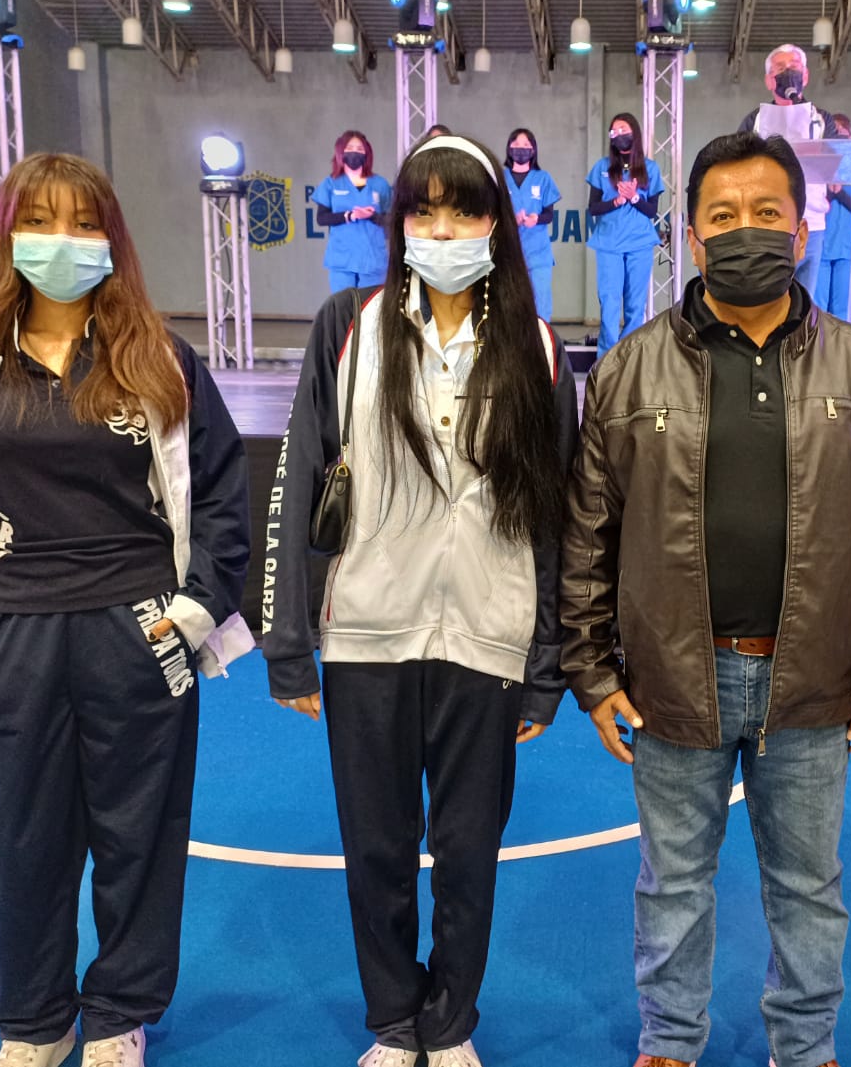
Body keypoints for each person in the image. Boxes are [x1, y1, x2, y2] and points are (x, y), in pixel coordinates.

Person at [562, 130, 851, 1067]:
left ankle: (805, 1046)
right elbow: (587, 536)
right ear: (691, 238)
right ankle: (670, 1039)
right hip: (671, 679)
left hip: (811, 680)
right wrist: (592, 671)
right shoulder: (627, 370)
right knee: (672, 882)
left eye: (767, 212)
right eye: (722, 216)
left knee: (808, 885)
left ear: (803, 231)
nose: (745, 231)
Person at [0, 153, 253, 1067]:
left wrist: (191, 613)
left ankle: (118, 1015)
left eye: (83, 223)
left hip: (137, 632)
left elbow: (224, 495)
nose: (62, 241)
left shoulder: (161, 360)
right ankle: (35, 1019)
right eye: (41, 221)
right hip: (10, 635)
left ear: (111, 239)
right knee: (14, 838)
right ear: (8, 236)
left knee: (139, 837)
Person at [264, 134, 579, 1067]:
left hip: (488, 637)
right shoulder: (347, 326)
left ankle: (450, 1024)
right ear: (399, 220)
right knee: (377, 848)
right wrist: (289, 641)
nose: (443, 230)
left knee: (470, 853)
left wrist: (548, 663)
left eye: (465, 210)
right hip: (368, 634)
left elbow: (556, 519)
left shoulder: (538, 348)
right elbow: (299, 479)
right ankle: (396, 1020)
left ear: (496, 224)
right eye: (424, 209)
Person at [737, 44, 834, 297]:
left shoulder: (822, 120)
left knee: (804, 298)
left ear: (806, 75)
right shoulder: (755, 120)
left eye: (794, 67)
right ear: (769, 80)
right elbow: (739, 167)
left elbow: (836, 167)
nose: (788, 73)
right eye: (780, 68)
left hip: (811, 223)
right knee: (768, 296)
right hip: (766, 223)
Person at [586, 113, 663, 356]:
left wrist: (634, 197)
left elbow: (651, 211)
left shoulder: (650, 168)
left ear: (634, 133)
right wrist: (617, 201)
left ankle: (629, 358)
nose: (619, 134)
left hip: (639, 243)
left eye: (623, 129)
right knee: (609, 303)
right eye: (614, 131)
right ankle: (606, 359)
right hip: (609, 243)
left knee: (635, 305)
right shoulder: (602, 168)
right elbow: (593, 208)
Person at [312, 130, 392, 292]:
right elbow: (322, 218)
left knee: (371, 305)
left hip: (373, 260)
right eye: (350, 148)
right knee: (344, 305)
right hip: (342, 259)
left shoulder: (380, 184)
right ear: (341, 152)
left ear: (367, 154)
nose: (355, 152)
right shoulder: (331, 183)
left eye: (360, 149)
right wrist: (350, 215)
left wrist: (372, 216)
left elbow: (390, 219)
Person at [504, 127, 562, 321]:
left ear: (533, 150)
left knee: (541, 304)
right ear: (509, 148)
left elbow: (549, 215)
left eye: (526, 144)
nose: (521, 148)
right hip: (509, 252)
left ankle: (541, 338)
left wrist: (536, 219)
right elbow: (493, 212)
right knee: (510, 303)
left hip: (538, 252)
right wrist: (511, 219)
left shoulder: (543, 178)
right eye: (516, 144)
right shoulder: (501, 178)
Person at [816, 112, 851, 320]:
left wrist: (840, 192)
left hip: (847, 247)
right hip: (821, 245)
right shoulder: (818, 165)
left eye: (842, 133)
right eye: (834, 133)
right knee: (817, 306)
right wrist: (830, 189)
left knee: (842, 310)